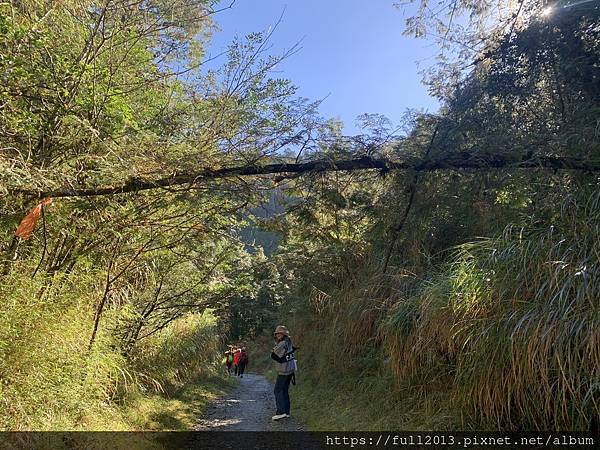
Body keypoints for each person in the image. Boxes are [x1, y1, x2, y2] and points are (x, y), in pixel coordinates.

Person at [270, 325, 297, 421]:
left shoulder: (282, 344)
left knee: (277, 390)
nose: (277, 335)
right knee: (284, 390)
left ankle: (280, 412)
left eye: (279, 333)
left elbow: (273, 355)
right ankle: (286, 412)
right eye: (277, 333)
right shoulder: (289, 342)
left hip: (284, 371)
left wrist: (275, 352)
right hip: (290, 370)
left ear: (283, 334)